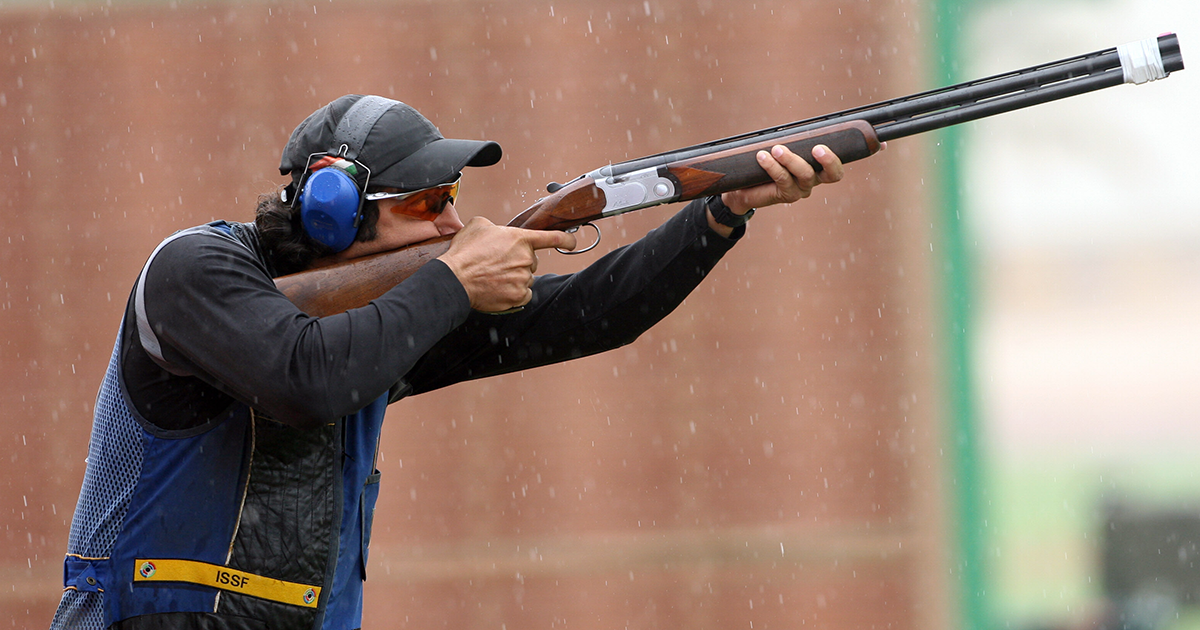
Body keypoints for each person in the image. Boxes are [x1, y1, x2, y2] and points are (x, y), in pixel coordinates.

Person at [50, 94, 846, 630]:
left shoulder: (390, 316)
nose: (456, 222)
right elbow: (304, 379)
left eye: (453, 196)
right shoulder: (193, 270)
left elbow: (595, 314)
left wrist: (722, 211)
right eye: (431, 204)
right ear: (335, 214)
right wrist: (452, 282)